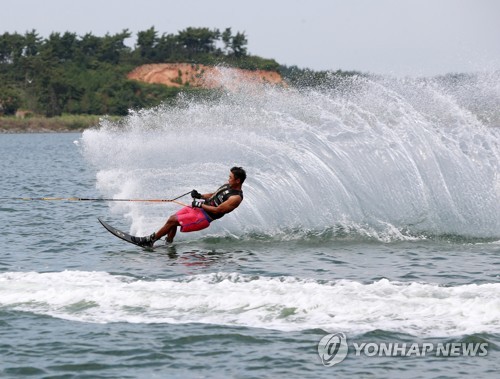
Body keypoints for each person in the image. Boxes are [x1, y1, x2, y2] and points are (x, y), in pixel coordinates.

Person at [132, 166, 246, 246]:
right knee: (172, 220)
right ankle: (168, 244)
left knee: (173, 221)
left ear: (238, 180)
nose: (228, 179)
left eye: (230, 177)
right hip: (197, 209)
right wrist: (200, 195)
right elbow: (214, 195)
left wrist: (200, 205)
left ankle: (150, 240)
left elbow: (218, 210)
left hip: (204, 217)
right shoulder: (228, 185)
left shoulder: (236, 198)